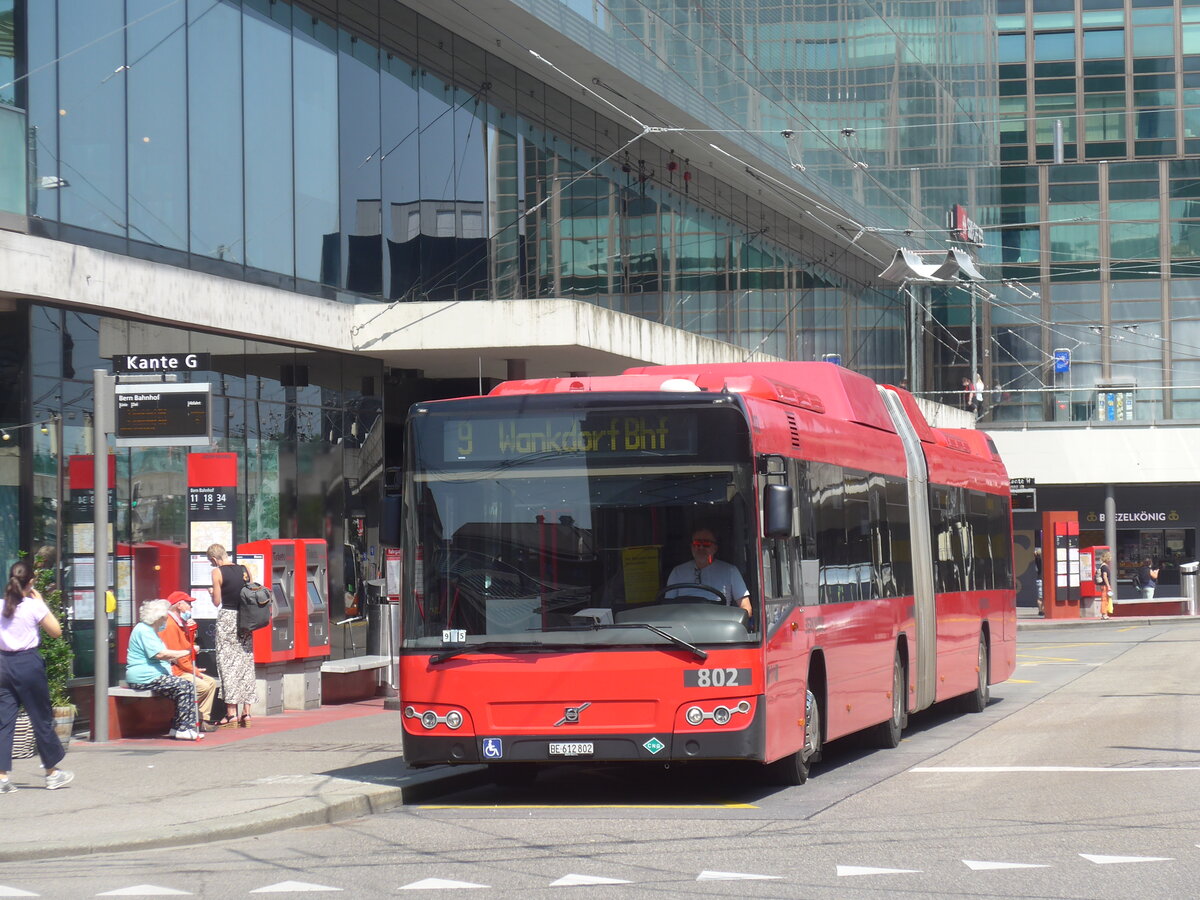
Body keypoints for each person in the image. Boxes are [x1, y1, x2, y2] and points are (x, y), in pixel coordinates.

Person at [0, 560, 74, 792]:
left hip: (3, 664)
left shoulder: (1, 605)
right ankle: (52, 772)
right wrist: (42, 603)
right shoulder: (33, 606)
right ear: (31, 582)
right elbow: (55, 632)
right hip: (28, 663)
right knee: (40, 717)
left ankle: (2, 778)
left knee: (4, 722)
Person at [126, 599, 202, 741]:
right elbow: (160, 654)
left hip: (152, 675)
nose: (166, 619)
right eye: (165, 617)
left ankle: (177, 727)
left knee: (182, 687)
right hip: (145, 676)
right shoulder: (144, 630)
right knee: (185, 686)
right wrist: (187, 651)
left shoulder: (150, 631)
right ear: (158, 617)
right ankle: (184, 728)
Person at [208, 544, 257, 728]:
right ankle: (247, 713)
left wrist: (212, 593)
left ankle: (231, 715)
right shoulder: (246, 569)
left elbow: (217, 602)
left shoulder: (217, 573)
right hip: (245, 619)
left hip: (228, 618)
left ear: (214, 559)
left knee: (227, 664)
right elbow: (251, 594)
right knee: (245, 661)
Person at [163, 592, 224, 730]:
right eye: (188, 603)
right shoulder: (170, 624)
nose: (191, 607)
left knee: (211, 683)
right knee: (203, 686)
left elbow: (186, 645)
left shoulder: (180, 623)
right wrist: (193, 670)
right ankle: (184, 717)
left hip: (183, 667)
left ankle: (203, 719)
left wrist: (191, 631)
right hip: (176, 670)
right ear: (179, 605)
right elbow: (179, 654)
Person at [665, 528, 752, 619]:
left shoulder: (730, 571)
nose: (701, 548)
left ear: (715, 548)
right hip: (683, 626)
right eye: (697, 543)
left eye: (706, 544)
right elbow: (667, 608)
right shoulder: (677, 572)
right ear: (691, 547)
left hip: (718, 627)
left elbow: (746, 608)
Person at [1098, 551, 1113, 619]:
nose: (1111, 559)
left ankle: (1104, 614)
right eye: (1110, 557)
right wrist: (1108, 586)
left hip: (1104, 585)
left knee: (1106, 599)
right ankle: (1104, 614)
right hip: (1105, 586)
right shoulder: (1104, 567)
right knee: (1104, 599)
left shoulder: (1103, 566)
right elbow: (1105, 576)